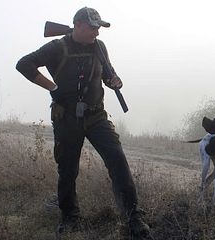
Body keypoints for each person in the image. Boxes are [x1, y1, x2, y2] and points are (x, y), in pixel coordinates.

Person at [15, 6, 150, 237]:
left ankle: (132, 215)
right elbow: (24, 64)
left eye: (99, 28)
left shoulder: (99, 47)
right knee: (67, 169)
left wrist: (114, 80)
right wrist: (52, 87)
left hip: (97, 116)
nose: (97, 33)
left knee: (117, 160)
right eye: (92, 28)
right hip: (66, 117)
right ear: (77, 26)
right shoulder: (57, 47)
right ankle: (69, 217)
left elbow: (107, 74)